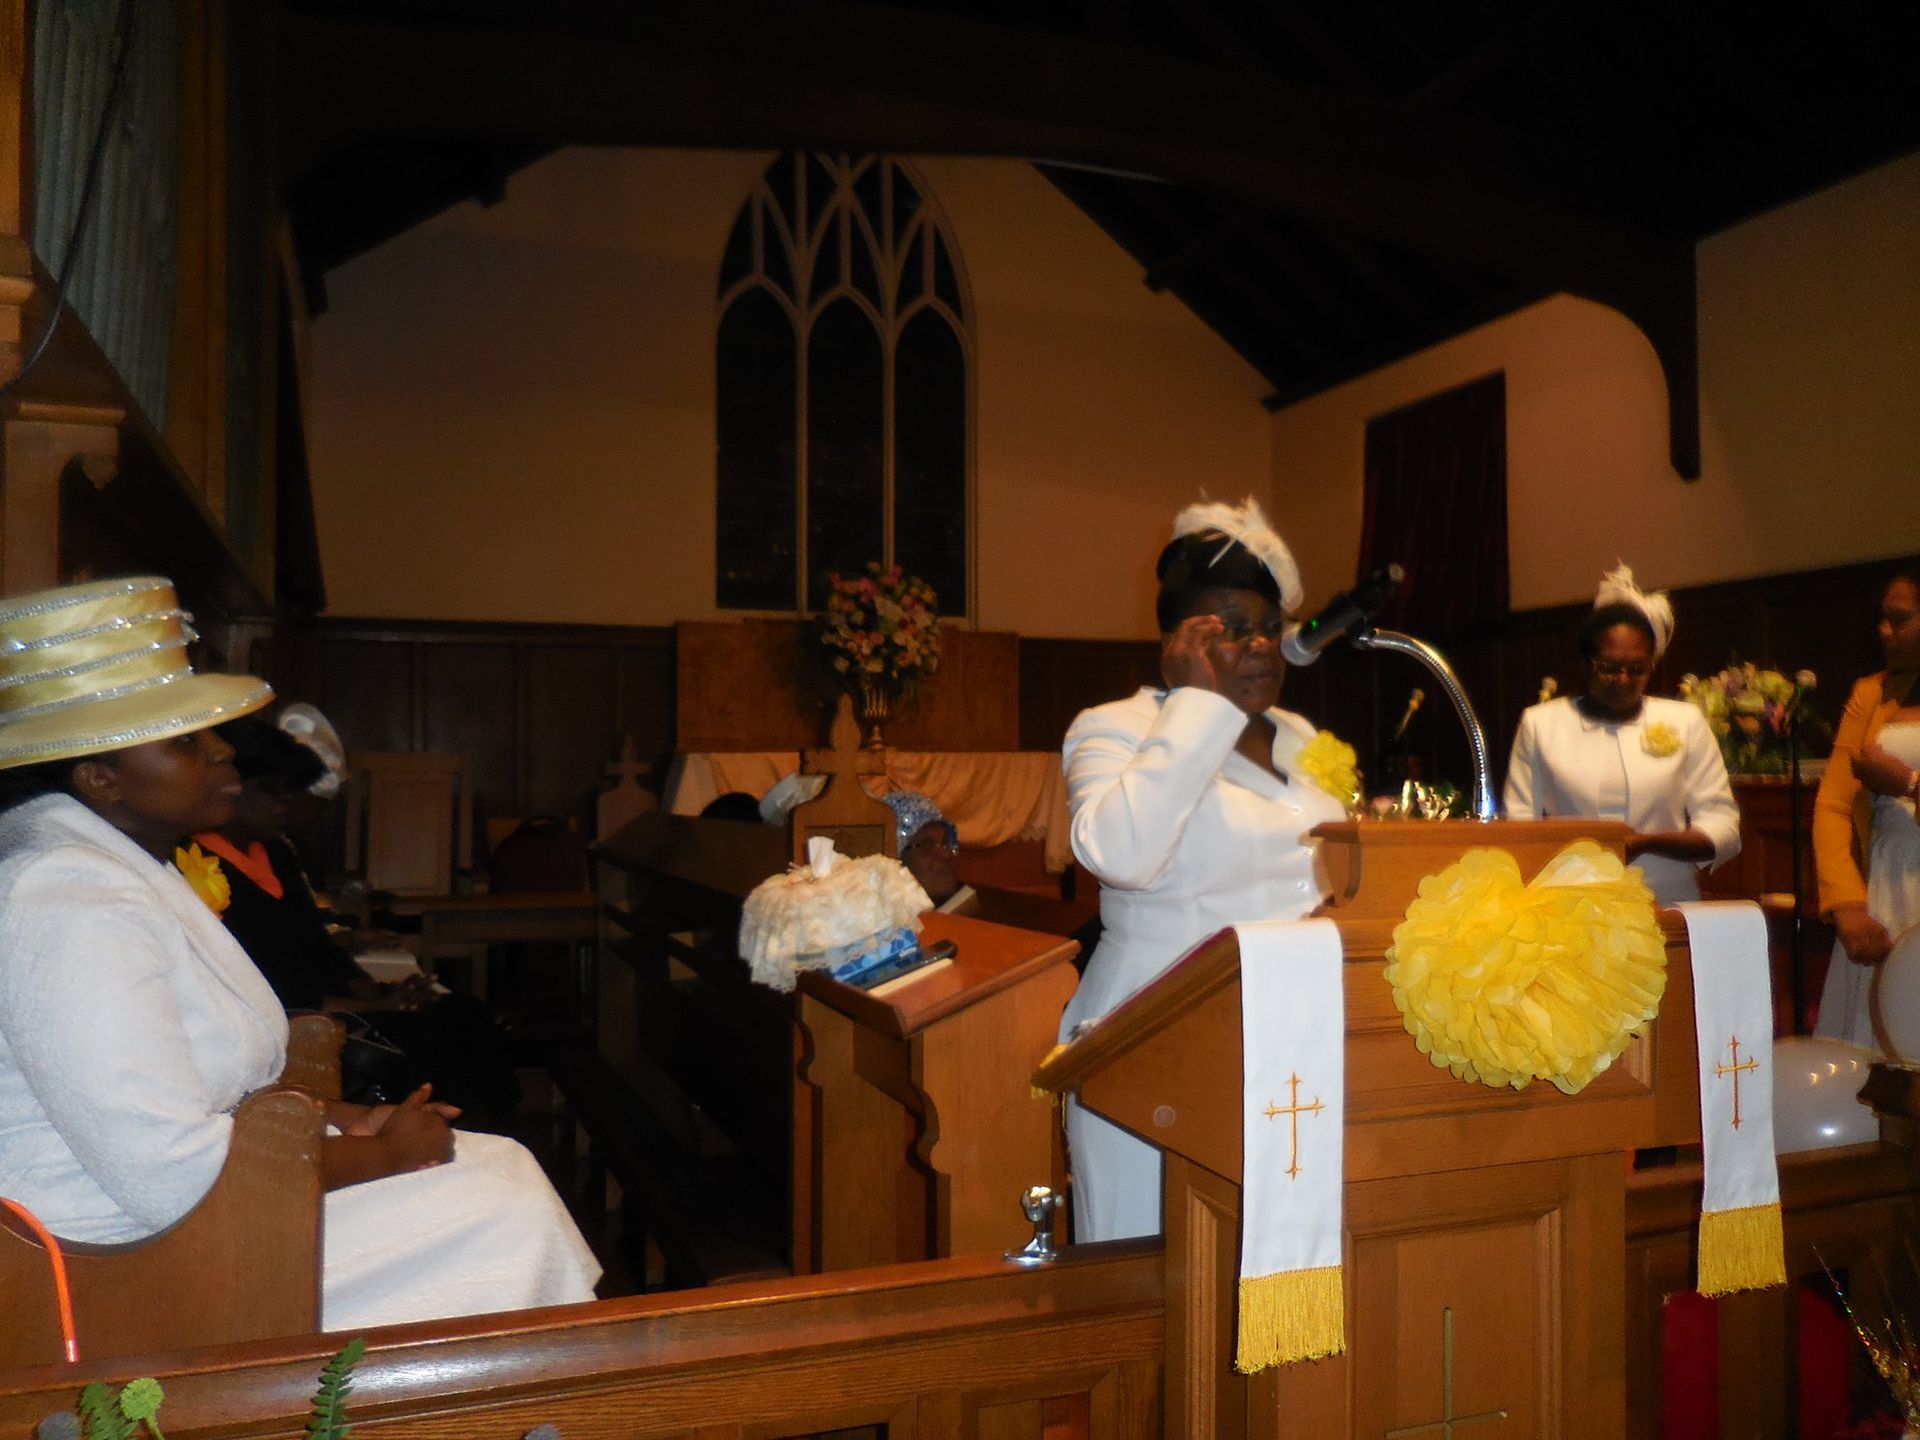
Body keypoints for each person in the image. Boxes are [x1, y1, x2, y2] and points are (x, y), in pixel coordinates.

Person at [0, 577, 599, 1332]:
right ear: (100, 778)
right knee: (499, 1210)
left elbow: (191, 1085)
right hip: (110, 1266)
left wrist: (348, 1116)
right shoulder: (66, 900)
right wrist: (380, 1158)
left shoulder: (105, 865)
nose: (221, 749)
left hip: (166, 1213)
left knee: (499, 1168)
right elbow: (168, 1174)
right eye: (186, 740)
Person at [1056, 498, 1348, 1242]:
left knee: (1275, 1264)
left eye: (1266, 629)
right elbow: (1121, 856)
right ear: (1176, 641)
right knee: (1152, 1271)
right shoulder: (1114, 727)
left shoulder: (1303, 737)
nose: (1255, 646)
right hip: (1153, 1042)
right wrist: (1194, 702)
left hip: (1290, 1038)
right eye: (1226, 629)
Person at [197, 716, 520, 1120]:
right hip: (295, 1023)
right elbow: (261, 986)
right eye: (271, 791)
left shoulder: (272, 852)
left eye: (289, 792)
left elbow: (318, 945)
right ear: (231, 788)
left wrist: (367, 988)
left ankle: (496, 1132)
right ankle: (462, 1134)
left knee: (463, 1011)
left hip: (336, 1003)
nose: (285, 803)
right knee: (437, 1040)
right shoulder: (199, 866)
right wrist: (370, 1006)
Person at [1503, 565, 1740, 906]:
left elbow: (1723, 825)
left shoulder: (1684, 721)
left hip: (1665, 901)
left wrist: (1646, 843)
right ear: (1586, 664)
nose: (1624, 680)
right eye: (1610, 668)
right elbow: (1518, 827)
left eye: (1637, 669)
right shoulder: (1541, 724)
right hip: (1566, 904)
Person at [1813, 565, 1920, 1049]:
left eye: (1899, 620)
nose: (1884, 631)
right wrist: (1848, 906)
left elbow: (1900, 782)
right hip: (1887, 888)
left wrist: (1908, 783)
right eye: (1882, 618)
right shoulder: (1871, 693)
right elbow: (1833, 805)